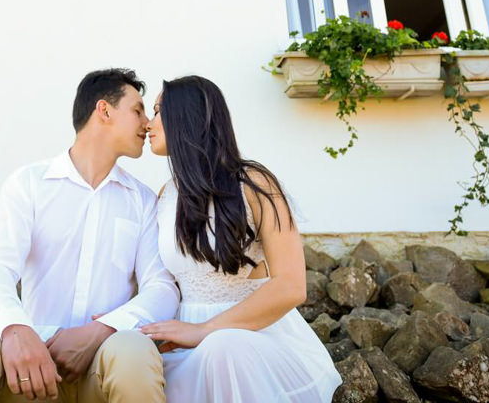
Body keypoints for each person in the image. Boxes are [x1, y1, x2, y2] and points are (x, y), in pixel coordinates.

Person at [0, 68, 180, 402]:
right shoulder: (28, 184)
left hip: (102, 361)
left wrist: (100, 331)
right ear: (104, 110)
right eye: (137, 110)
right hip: (31, 364)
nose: (147, 123)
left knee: (133, 350)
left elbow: (162, 288)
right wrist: (16, 329)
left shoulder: (143, 200)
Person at [139, 75, 341, 403]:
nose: (149, 123)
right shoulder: (165, 196)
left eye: (159, 111)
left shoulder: (255, 185)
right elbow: (160, 282)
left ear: (187, 116)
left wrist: (205, 331)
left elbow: (291, 285)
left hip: (252, 337)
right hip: (184, 336)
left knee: (223, 348)